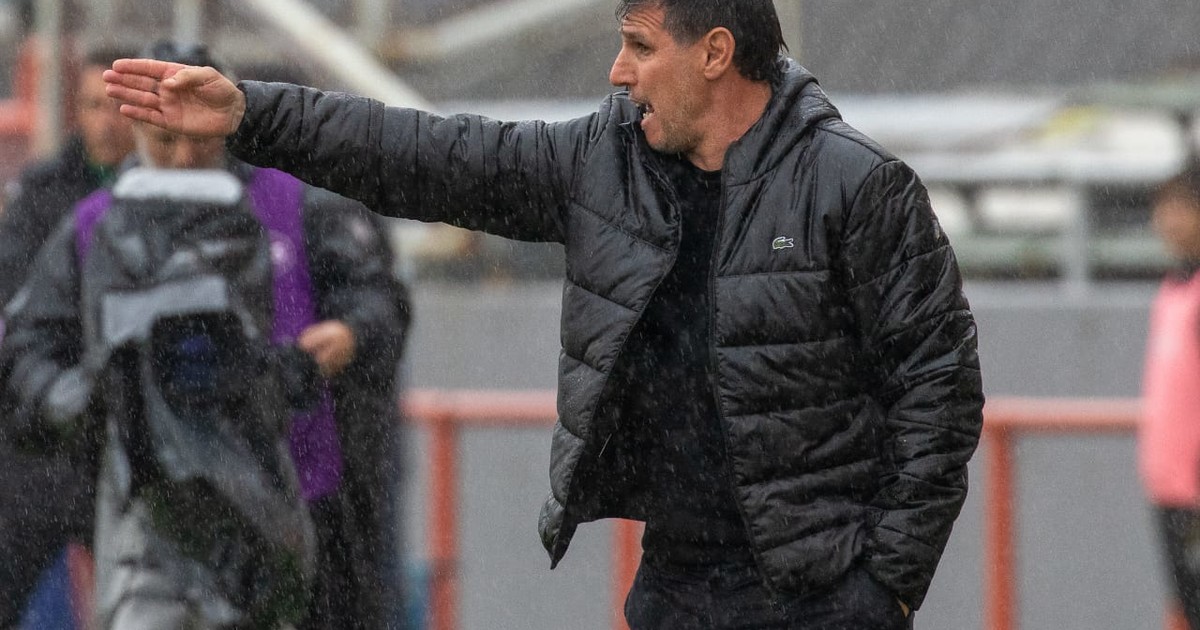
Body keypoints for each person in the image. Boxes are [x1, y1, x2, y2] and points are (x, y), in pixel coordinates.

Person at [105, 2, 985, 627]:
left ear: (716, 53)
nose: (618, 71)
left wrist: (885, 588)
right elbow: (431, 158)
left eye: (639, 45)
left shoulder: (857, 187)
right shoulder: (608, 159)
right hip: (677, 587)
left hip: (822, 600)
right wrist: (253, 114)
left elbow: (941, 395)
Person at [10, 39, 410, 630]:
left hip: (298, 490)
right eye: (164, 139)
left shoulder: (293, 203)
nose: (183, 157)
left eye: (199, 137)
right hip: (147, 503)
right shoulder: (97, 224)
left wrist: (346, 337)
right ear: (136, 131)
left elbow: (378, 298)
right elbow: (26, 345)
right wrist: (80, 398)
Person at [0, 43, 137, 629]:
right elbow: (16, 299)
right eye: (91, 106)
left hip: (123, 443)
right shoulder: (43, 191)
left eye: (117, 107)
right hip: (41, 442)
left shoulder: (161, 200)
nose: (105, 123)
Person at [1140, 159, 1200, 630]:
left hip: (1194, 485)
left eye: (1179, 208)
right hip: (1168, 484)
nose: (1167, 220)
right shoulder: (1173, 287)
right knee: (1187, 602)